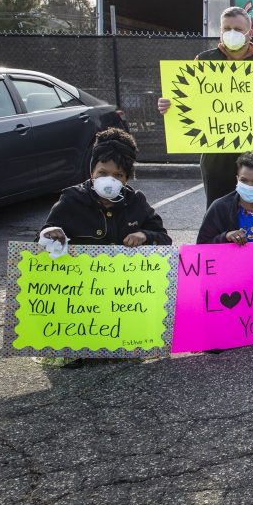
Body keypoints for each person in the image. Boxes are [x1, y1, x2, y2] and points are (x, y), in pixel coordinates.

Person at [36, 128, 172, 367]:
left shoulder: (136, 202)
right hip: (79, 302)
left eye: (118, 175)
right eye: (103, 173)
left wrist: (144, 235)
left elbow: (164, 239)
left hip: (123, 299)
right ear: (91, 172)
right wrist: (50, 236)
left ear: (127, 177)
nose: (109, 180)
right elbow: (44, 238)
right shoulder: (71, 200)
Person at [156, 6, 253, 207]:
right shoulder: (203, 60)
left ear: (250, 32)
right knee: (217, 207)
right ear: (220, 31)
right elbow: (187, 97)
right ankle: (218, 239)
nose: (232, 33)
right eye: (227, 28)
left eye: (238, 29)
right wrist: (169, 104)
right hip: (216, 154)